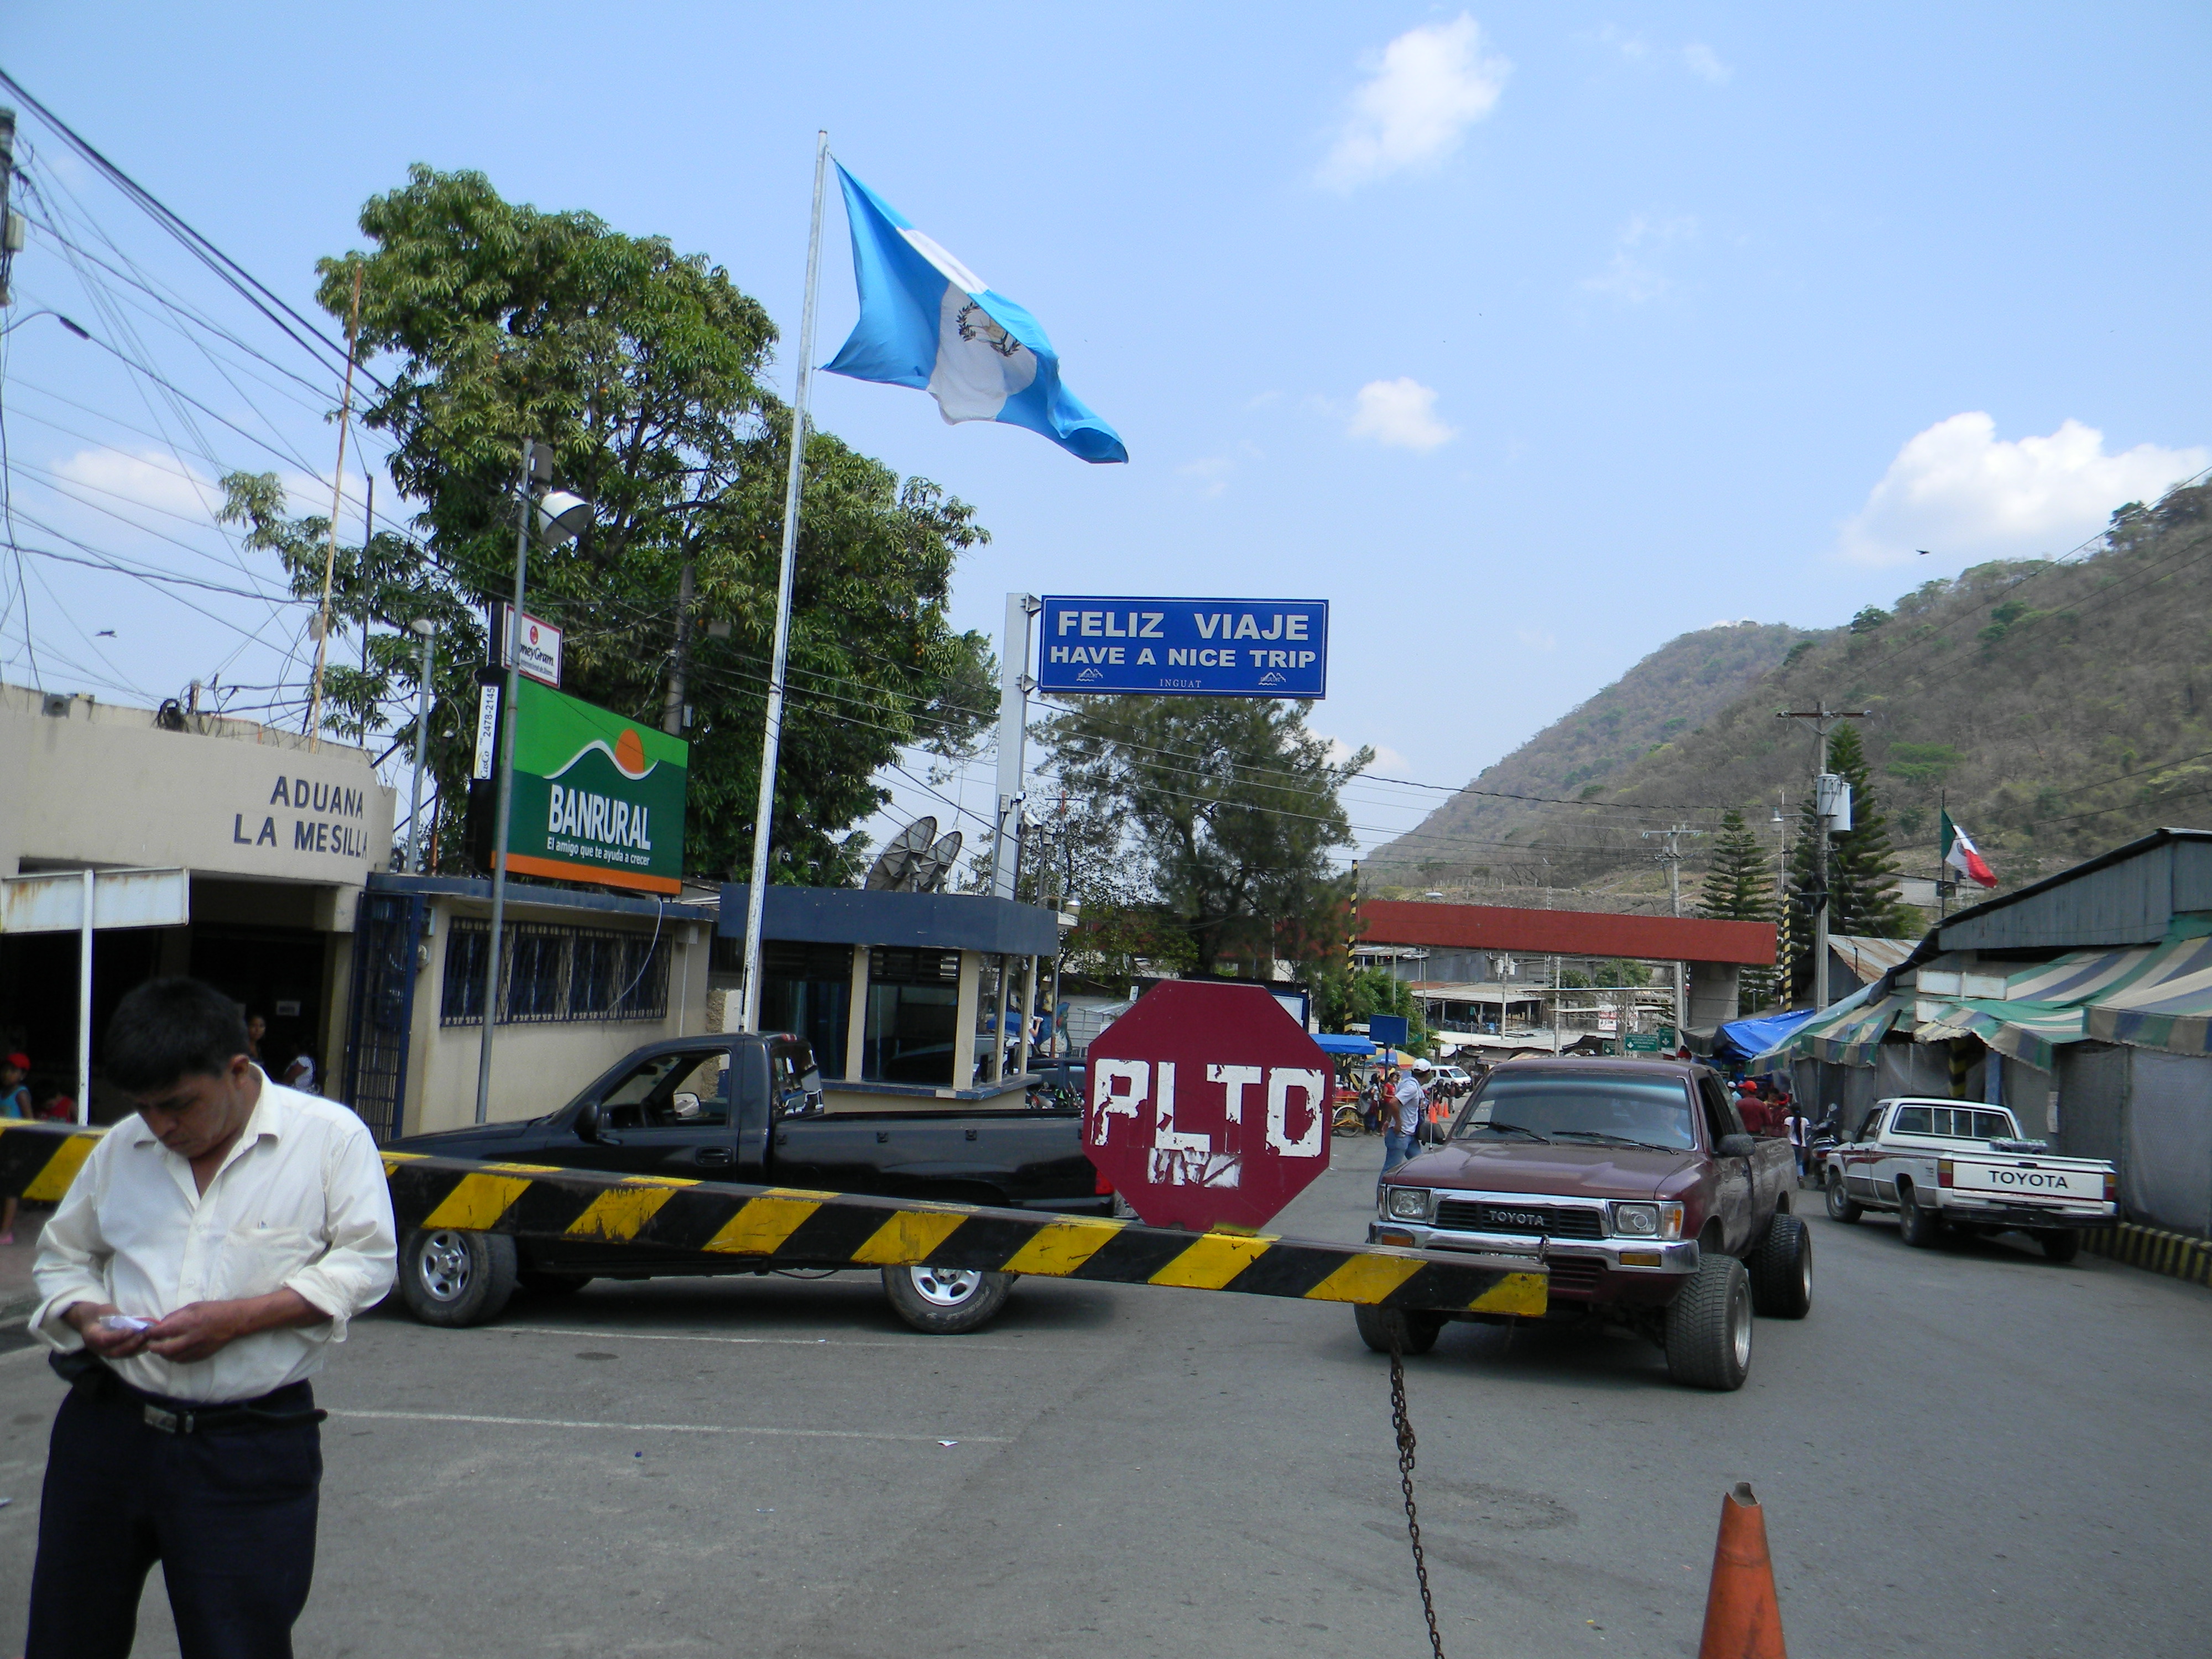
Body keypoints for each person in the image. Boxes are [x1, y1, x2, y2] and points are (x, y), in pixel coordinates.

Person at [24, 976, 397, 1659]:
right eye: (144, 1108)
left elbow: (368, 1263)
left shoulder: (329, 1140)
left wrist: (242, 1319)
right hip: (108, 1435)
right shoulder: (122, 1149)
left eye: (178, 1106)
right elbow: (62, 1257)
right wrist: (88, 1313)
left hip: (247, 1450)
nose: (162, 1128)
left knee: (239, 1644)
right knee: (66, 1636)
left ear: (237, 1070)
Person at [1381, 1060, 1432, 1187]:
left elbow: (1395, 1103)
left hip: (1410, 1135)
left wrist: (1389, 1120)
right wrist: (1397, 1123)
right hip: (1401, 1134)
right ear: (1427, 1074)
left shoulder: (1408, 1084)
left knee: (1420, 1166)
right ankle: (1381, 1200)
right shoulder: (1411, 1087)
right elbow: (1393, 1102)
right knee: (1390, 1169)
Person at [0, 1050, 29, 1244]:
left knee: (11, 1190)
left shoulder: (21, 1094)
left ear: (22, 1075)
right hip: (3, 1143)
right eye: (5, 1070)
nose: (7, 1074)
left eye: (13, 1071)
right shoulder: (2, 1093)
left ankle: (5, 1233)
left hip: (15, 1145)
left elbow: (30, 1120)